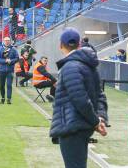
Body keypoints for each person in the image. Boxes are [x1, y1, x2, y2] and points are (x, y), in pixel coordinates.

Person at [49, 28, 108, 168]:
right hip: (81, 125)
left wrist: (95, 121)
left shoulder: (69, 67)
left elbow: (80, 99)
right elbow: (100, 94)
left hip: (72, 126)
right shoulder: (89, 65)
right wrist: (101, 118)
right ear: (79, 45)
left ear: (61, 45)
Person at [0, 36, 19, 104]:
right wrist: (5, 61)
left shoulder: (13, 49)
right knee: (1, 85)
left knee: (9, 84)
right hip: (2, 70)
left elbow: (17, 58)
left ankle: (9, 99)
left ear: (10, 41)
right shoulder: (0, 49)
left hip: (10, 70)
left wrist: (11, 61)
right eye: (6, 40)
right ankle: (2, 98)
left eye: (8, 40)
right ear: (3, 41)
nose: (7, 42)